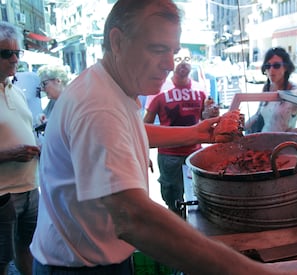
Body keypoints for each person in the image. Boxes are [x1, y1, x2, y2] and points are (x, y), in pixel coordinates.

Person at [29, 1, 281, 274]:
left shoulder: (108, 86)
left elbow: (127, 132)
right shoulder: (97, 106)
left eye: (173, 51)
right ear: (117, 41)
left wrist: (198, 132)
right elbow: (133, 218)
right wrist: (256, 272)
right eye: (158, 49)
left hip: (88, 254)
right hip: (77, 267)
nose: (170, 64)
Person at [143, 52, 219, 215]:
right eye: (178, 59)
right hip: (169, 156)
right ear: (171, 63)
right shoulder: (159, 90)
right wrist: (143, 153)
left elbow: (203, 118)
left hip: (195, 153)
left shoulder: (200, 89)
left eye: (186, 59)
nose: (183, 63)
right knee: (173, 202)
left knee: (200, 199)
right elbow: (145, 124)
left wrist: (211, 113)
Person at [0, 21, 41, 275]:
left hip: (29, 187)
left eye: (17, 52)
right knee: (2, 259)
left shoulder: (16, 89)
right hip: (4, 195)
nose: (15, 58)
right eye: (6, 53)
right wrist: (10, 154)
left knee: (28, 250)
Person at [244, 47, 297, 134]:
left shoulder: (293, 92)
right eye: (268, 66)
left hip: (283, 144)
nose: (271, 70)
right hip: (263, 140)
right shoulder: (267, 88)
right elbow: (258, 115)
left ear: (285, 67)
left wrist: (293, 133)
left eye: (276, 66)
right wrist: (240, 128)